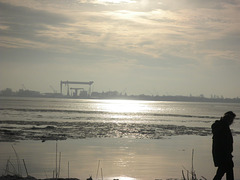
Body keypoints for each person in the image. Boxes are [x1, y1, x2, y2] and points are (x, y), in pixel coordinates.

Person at [212, 111, 236, 180]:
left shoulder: (222, 126)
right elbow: (223, 143)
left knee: (224, 171)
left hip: (224, 154)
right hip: (223, 155)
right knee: (223, 171)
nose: (232, 122)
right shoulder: (222, 127)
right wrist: (227, 154)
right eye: (231, 120)